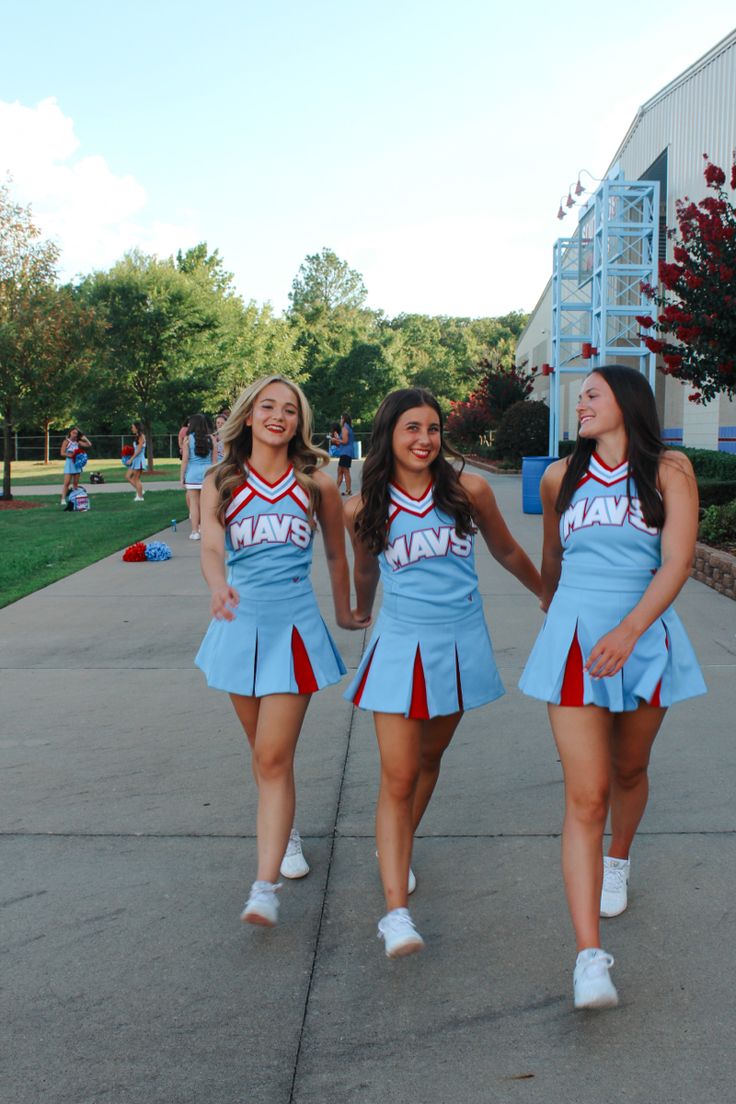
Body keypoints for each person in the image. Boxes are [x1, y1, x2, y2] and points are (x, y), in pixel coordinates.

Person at [519, 365, 706, 1011]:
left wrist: (630, 629)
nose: (581, 406)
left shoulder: (670, 470)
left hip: (644, 635)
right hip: (574, 638)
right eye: (579, 398)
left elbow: (678, 560)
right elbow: (552, 559)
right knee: (586, 794)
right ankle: (589, 959)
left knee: (630, 770)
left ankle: (618, 861)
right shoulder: (558, 477)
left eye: (592, 395)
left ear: (627, 402)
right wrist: (555, 618)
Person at [344, 387, 542, 958]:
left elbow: (505, 551)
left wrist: (545, 593)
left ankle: (397, 844)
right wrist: (358, 611)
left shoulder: (467, 490)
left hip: (459, 644)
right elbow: (364, 569)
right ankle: (395, 916)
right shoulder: (365, 506)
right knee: (397, 774)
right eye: (412, 428)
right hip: (399, 645)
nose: (424, 439)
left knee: (429, 761)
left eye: (432, 428)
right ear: (389, 435)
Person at [194, 374, 367, 928]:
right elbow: (213, 546)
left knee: (272, 756)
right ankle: (285, 830)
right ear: (249, 416)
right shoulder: (222, 479)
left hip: (293, 629)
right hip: (239, 627)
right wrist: (217, 584)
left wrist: (343, 611)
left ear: (300, 422)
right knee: (263, 753)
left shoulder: (315, 483)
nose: (278, 416)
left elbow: (337, 557)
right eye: (268, 406)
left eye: (289, 410)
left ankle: (263, 888)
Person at [181, 413, 214, 540]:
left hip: (192, 474)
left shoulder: (188, 439)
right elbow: (214, 461)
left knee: (194, 504)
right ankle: (207, 530)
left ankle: (195, 531)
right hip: (208, 474)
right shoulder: (211, 438)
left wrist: (181, 477)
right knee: (207, 504)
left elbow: (185, 461)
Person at [60, 427, 91, 505]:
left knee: (75, 483)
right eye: (73, 433)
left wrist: (85, 438)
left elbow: (89, 444)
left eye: (76, 433)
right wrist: (71, 455)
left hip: (77, 464)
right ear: (70, 433)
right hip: (69, 464)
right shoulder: (66, 441)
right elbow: (62, 453)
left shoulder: (78, 442)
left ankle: (74, 498)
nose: (74, 434)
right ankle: (63, 499)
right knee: (67, 483)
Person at [125, 423, 147, 501]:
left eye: (133, 427)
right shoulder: (137, 436)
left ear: (137, 428)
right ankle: (140, 490)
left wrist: (131, 459)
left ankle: (140, 497)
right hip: (135, 460)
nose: (132, 429)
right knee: (128, 476)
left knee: (136, 479)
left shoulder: (141, 436)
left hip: (139, 460)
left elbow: (139, 450)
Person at [334, 413, 355, 495]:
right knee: (340, 470)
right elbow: (344, 440)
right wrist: (337, 438)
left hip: (346, 452)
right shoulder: (348, 427)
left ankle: (348, 490)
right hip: (346, 452)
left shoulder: (345, 428)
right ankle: (337, 490)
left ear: (344, 419)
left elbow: (345, 441)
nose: (340, 420)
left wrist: (336, 439)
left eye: (341, 419)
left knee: (345, 471)